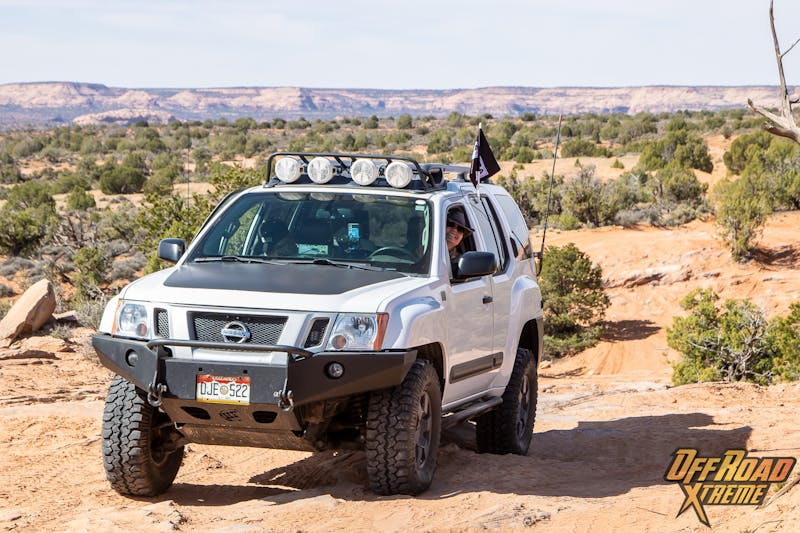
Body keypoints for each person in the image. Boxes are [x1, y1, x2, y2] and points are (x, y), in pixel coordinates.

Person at [446, 209, 474, 276]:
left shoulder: (461, 263)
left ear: (462, 237)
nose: (454, 230)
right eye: (450, 224)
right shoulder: (421, 252)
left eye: (460, 229)